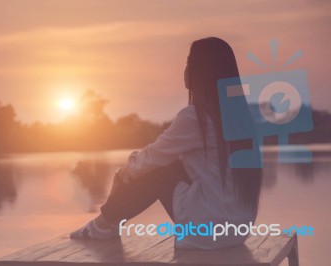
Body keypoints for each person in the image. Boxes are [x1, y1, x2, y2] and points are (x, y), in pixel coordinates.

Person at [70, 37, 262, 249]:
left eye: (189, 63)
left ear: (202, 71)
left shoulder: (195, 117)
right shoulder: (241, 117)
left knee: (157, 169)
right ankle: (107, 224)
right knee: (167, 165)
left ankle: (103, 224)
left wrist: (123, 172)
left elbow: (151, 158)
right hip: (239, 229)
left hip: (209, 230)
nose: (185, 70)